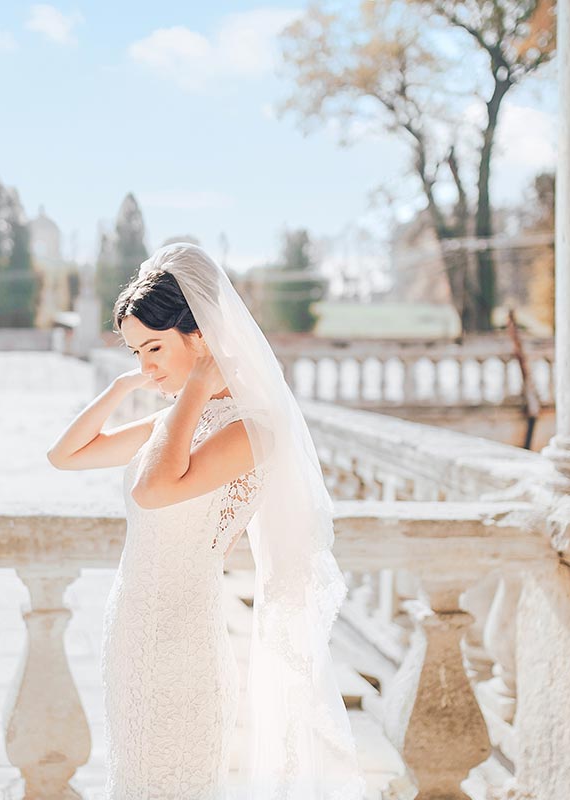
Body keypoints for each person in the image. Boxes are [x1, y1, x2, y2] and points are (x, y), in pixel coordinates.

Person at [46, 243, 366, 799]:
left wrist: (194, 385)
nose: (146, 364)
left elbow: (154, 490)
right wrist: (125, 386)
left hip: (182, 641)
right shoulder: (176, 418)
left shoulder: (253, 428)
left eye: (154, 347)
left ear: (201, 336)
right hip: (131, 630)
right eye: (134, 351)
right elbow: (65, 456)